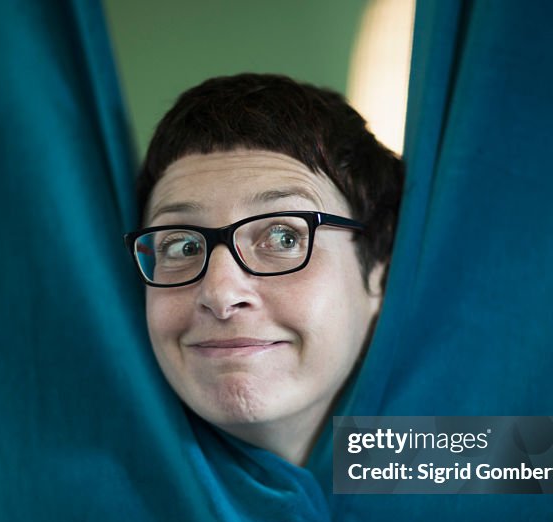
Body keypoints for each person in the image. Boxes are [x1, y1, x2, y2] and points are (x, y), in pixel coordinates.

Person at [125, 74, 404, 465]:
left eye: (284, 238)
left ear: (378, 267)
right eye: (183, 246)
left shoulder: (485, 465)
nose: (220, 294)